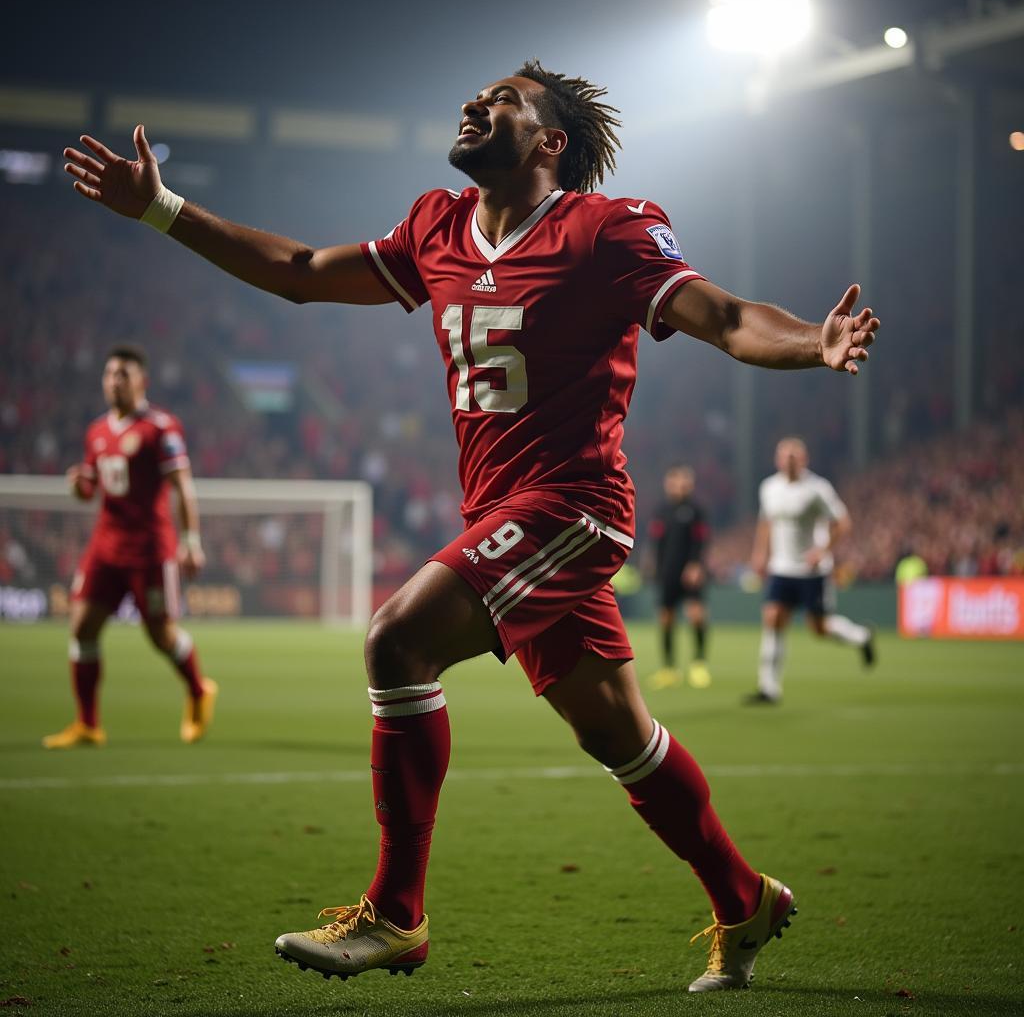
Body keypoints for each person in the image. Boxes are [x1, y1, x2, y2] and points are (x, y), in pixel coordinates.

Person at [63, 60, 878, 992]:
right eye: (476, 96)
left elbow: (726, 316)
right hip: (500, 514)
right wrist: (166, 208)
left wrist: (813, 340)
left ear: (548, 142)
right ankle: (745, 899)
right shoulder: (435, 225)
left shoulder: (606, 229)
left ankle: (395, 915)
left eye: (502, 102)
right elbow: (296, 274)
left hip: (573, 510)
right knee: (623, 737)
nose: (473, 104)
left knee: (397, 640)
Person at [43, 345, 218, 748]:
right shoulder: (96, 431)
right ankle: (88, 724)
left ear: (142, 380)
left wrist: (191, 540)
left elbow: (182, 486)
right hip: (105, 547)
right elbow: (91, 488)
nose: (114, 380)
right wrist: (80, 487)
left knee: (160, 635)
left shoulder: (161, 427)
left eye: (123, 373)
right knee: (82, 627)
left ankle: (197, 689)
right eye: (109, 374)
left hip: (149, 550)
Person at [747, 437, 876, 705]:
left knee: (819, 628)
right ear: (777, 459)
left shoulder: (817, 489)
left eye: (795, 455)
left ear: (804, 459)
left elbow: (842, 523)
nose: (789, 460)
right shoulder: (769, 487)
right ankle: (768, 688)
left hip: (811, 571)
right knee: (772, 618)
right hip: (781, 568)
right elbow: (765, 523)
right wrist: (760, 555)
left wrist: (823, 550)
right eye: (785, 455)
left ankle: (861, 636)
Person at [647, 465, 712, 690]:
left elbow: (700, 541)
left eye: (684, 481)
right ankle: (669, 669)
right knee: (666, 618)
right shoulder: (661, 510)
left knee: (696, 615)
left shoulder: (696, 510)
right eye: (675, 480)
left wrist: (695, 565)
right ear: (668, 483)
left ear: (690, 484)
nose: (680, 485)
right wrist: (653, 565)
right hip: (667, 572)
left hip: (691, 572)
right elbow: (656, 542)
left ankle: (698, 664)